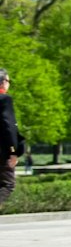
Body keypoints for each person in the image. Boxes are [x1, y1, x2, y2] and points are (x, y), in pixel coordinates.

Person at [0, 68, 20, 210]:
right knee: (8, 184)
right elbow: (9, 127)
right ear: (2, 83)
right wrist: (13, 151)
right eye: (8, 81)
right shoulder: (5, 99)